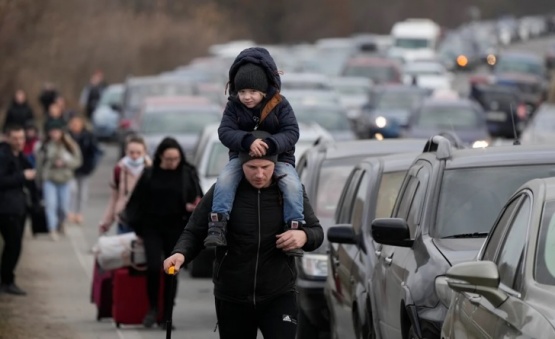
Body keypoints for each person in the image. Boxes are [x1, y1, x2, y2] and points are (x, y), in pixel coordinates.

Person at [163, 142, 324, 339]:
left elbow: (317, 232)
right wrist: (180, 253)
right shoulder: (222, 193)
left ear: (276, 165)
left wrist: (304, 235)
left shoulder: (291, 193)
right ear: (241, 166)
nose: (259, 174)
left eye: (265, 167)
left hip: (279, 293)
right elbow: (194, 231)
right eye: (252, 168)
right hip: (232, 295)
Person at [205, 47, 304, 257]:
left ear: (263, 90)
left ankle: (294, 228)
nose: (247, 97)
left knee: (293, 186)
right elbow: (224, 132)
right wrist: (247, 140)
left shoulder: (280, 104)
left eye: (252, 92)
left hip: (280, 159)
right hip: (241, 158)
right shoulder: (233, 106)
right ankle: (218, 224)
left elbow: (292, 132)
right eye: (242, 92)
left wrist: (270, 144)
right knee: (224, 180)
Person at [124, 137, 202, 329]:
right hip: (151, 227)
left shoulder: (187, 173)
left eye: (175, 159)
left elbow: (198, 198)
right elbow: (136, 202)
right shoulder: (150, 173)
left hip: (177, 227)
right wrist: (137, 227)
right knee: (152, 267)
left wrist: (193, 206)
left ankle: (167, 314)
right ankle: (152, 308)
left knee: (172, 271)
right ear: (159, 156)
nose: (172, 163)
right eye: (168, 159)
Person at [0, 125, 38, 295]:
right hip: (6, 208)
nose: (19, 142)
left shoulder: (22, 156)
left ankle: (7, 280)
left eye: (22, 138)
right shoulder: (3, 156)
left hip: (18, 207)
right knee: (13, 245)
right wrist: (22, 176)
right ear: (7, 138)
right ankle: (6, 281)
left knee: (14, 246)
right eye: (15, 138)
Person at [36, 120, 82, 241]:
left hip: (65, 179)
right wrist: (39, 180)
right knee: (51, 205)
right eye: (52, 131)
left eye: (57, 131)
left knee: (63, 206)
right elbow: (39, 164)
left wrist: (65, 162)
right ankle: (52, 228)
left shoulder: (69, 144)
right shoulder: (45, 145)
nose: (55, 134)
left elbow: (78, 161)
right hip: (49, 178)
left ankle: (62, 222)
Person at [98, 135, 151, 235]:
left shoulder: (151, 170)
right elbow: (114, 198)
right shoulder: (119, 169)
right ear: (126, 151)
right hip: (124, 218)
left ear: (145, 152)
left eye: (138, 153)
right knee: (123, 250)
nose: (135, 156)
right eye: (131, 153)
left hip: (145, 220)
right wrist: (106, 222)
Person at [67, 115, 101, 225]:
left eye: (77, 123)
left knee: (82, 192)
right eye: (73, 123)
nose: (75, 126)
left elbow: (95, 152)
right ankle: (70, 211)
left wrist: (91, 165)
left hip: (84, 168)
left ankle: (79, 213)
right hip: (70, 169)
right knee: (72, 191)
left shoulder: (88, 136)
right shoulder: (67, 137)